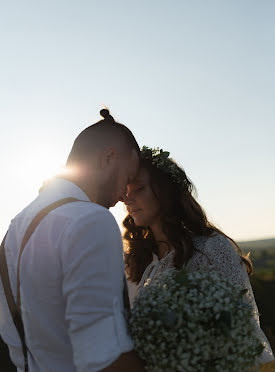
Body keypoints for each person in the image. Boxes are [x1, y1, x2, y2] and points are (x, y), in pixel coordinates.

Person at [0, 109, 145, 372]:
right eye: (128, 178)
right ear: (108, 157)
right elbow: (104, 360)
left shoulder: (14, 228)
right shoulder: (90, 220)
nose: (126, 193)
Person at [122, 146, 274, 366]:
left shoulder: (211, 249)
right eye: (126, 191)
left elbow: (243, 323)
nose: (128, 198)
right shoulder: (136, 260)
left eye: (139, 189)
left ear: (165, 192)